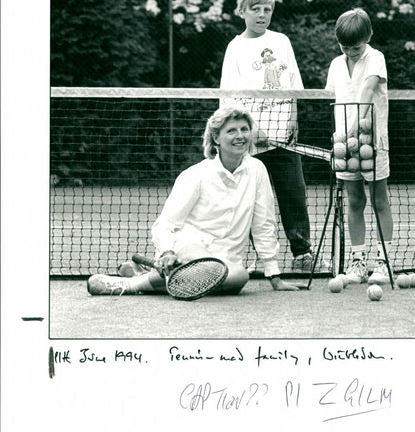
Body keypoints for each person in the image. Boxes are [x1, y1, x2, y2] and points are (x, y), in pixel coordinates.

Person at [87, 105, 299, 295]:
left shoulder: (257, 170)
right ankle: (130, 285)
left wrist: (274, 274)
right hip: (190, 247)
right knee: (206, 269)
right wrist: (167, 251)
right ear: (216, 138)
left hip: (227, 260)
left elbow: (263, 223)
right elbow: (166, 224)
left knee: (240, 277)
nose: (240, 136)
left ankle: (141, 275)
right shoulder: (195, 175)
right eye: (231, 130)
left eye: (244, 129)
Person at [219, 0, 325, 274]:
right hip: (251, 143)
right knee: (253, 202)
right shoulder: (235, 48)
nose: (262, 14)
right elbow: (230, 98)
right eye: (255, 9)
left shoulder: (282, 41)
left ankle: (302, 254)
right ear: (242, 11)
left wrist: (293, 118)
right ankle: (258, 258)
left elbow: (292, 86)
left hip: (283, 140)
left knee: (294, 194)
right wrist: (249, 130)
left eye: (267, 9)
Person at [325, 8, 393, 285]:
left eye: (356, 46)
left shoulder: (376, 57)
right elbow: (337, 98)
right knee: (354, 201)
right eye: (345, 46)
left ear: (369, 37)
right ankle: (357, 261)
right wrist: (342, 137)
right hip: (344, 146)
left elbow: (366, 90)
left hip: (372, 142)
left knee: (379, 201)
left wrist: (357, 128)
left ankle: (384, 260)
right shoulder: (335, 64)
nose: (351, 52)